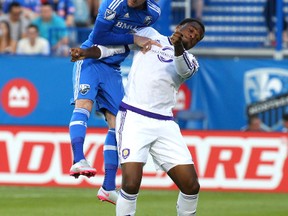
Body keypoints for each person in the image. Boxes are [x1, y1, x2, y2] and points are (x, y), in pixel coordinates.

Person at [70, 17, 205, 216]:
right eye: (191, 29)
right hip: (134, 118)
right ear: (178, 27)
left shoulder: (191, 61)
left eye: (197, 37)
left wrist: (177, 47)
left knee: (191, 186)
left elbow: (182, 68)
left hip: (165, 124)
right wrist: (86, 52)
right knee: (131, 184)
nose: (192, 35)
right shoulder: (150, 34)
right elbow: (115, 49)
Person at [68, 0, 161, 205]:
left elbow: (132, 43)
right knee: (84, 104)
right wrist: (134, 37)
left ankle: (108, 186)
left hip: (113, 67)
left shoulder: (153, 13)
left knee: (119, 124)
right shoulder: (113, 4)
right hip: (90, 60)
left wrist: (136, 41)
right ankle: (78, 159)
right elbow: (100, 36)